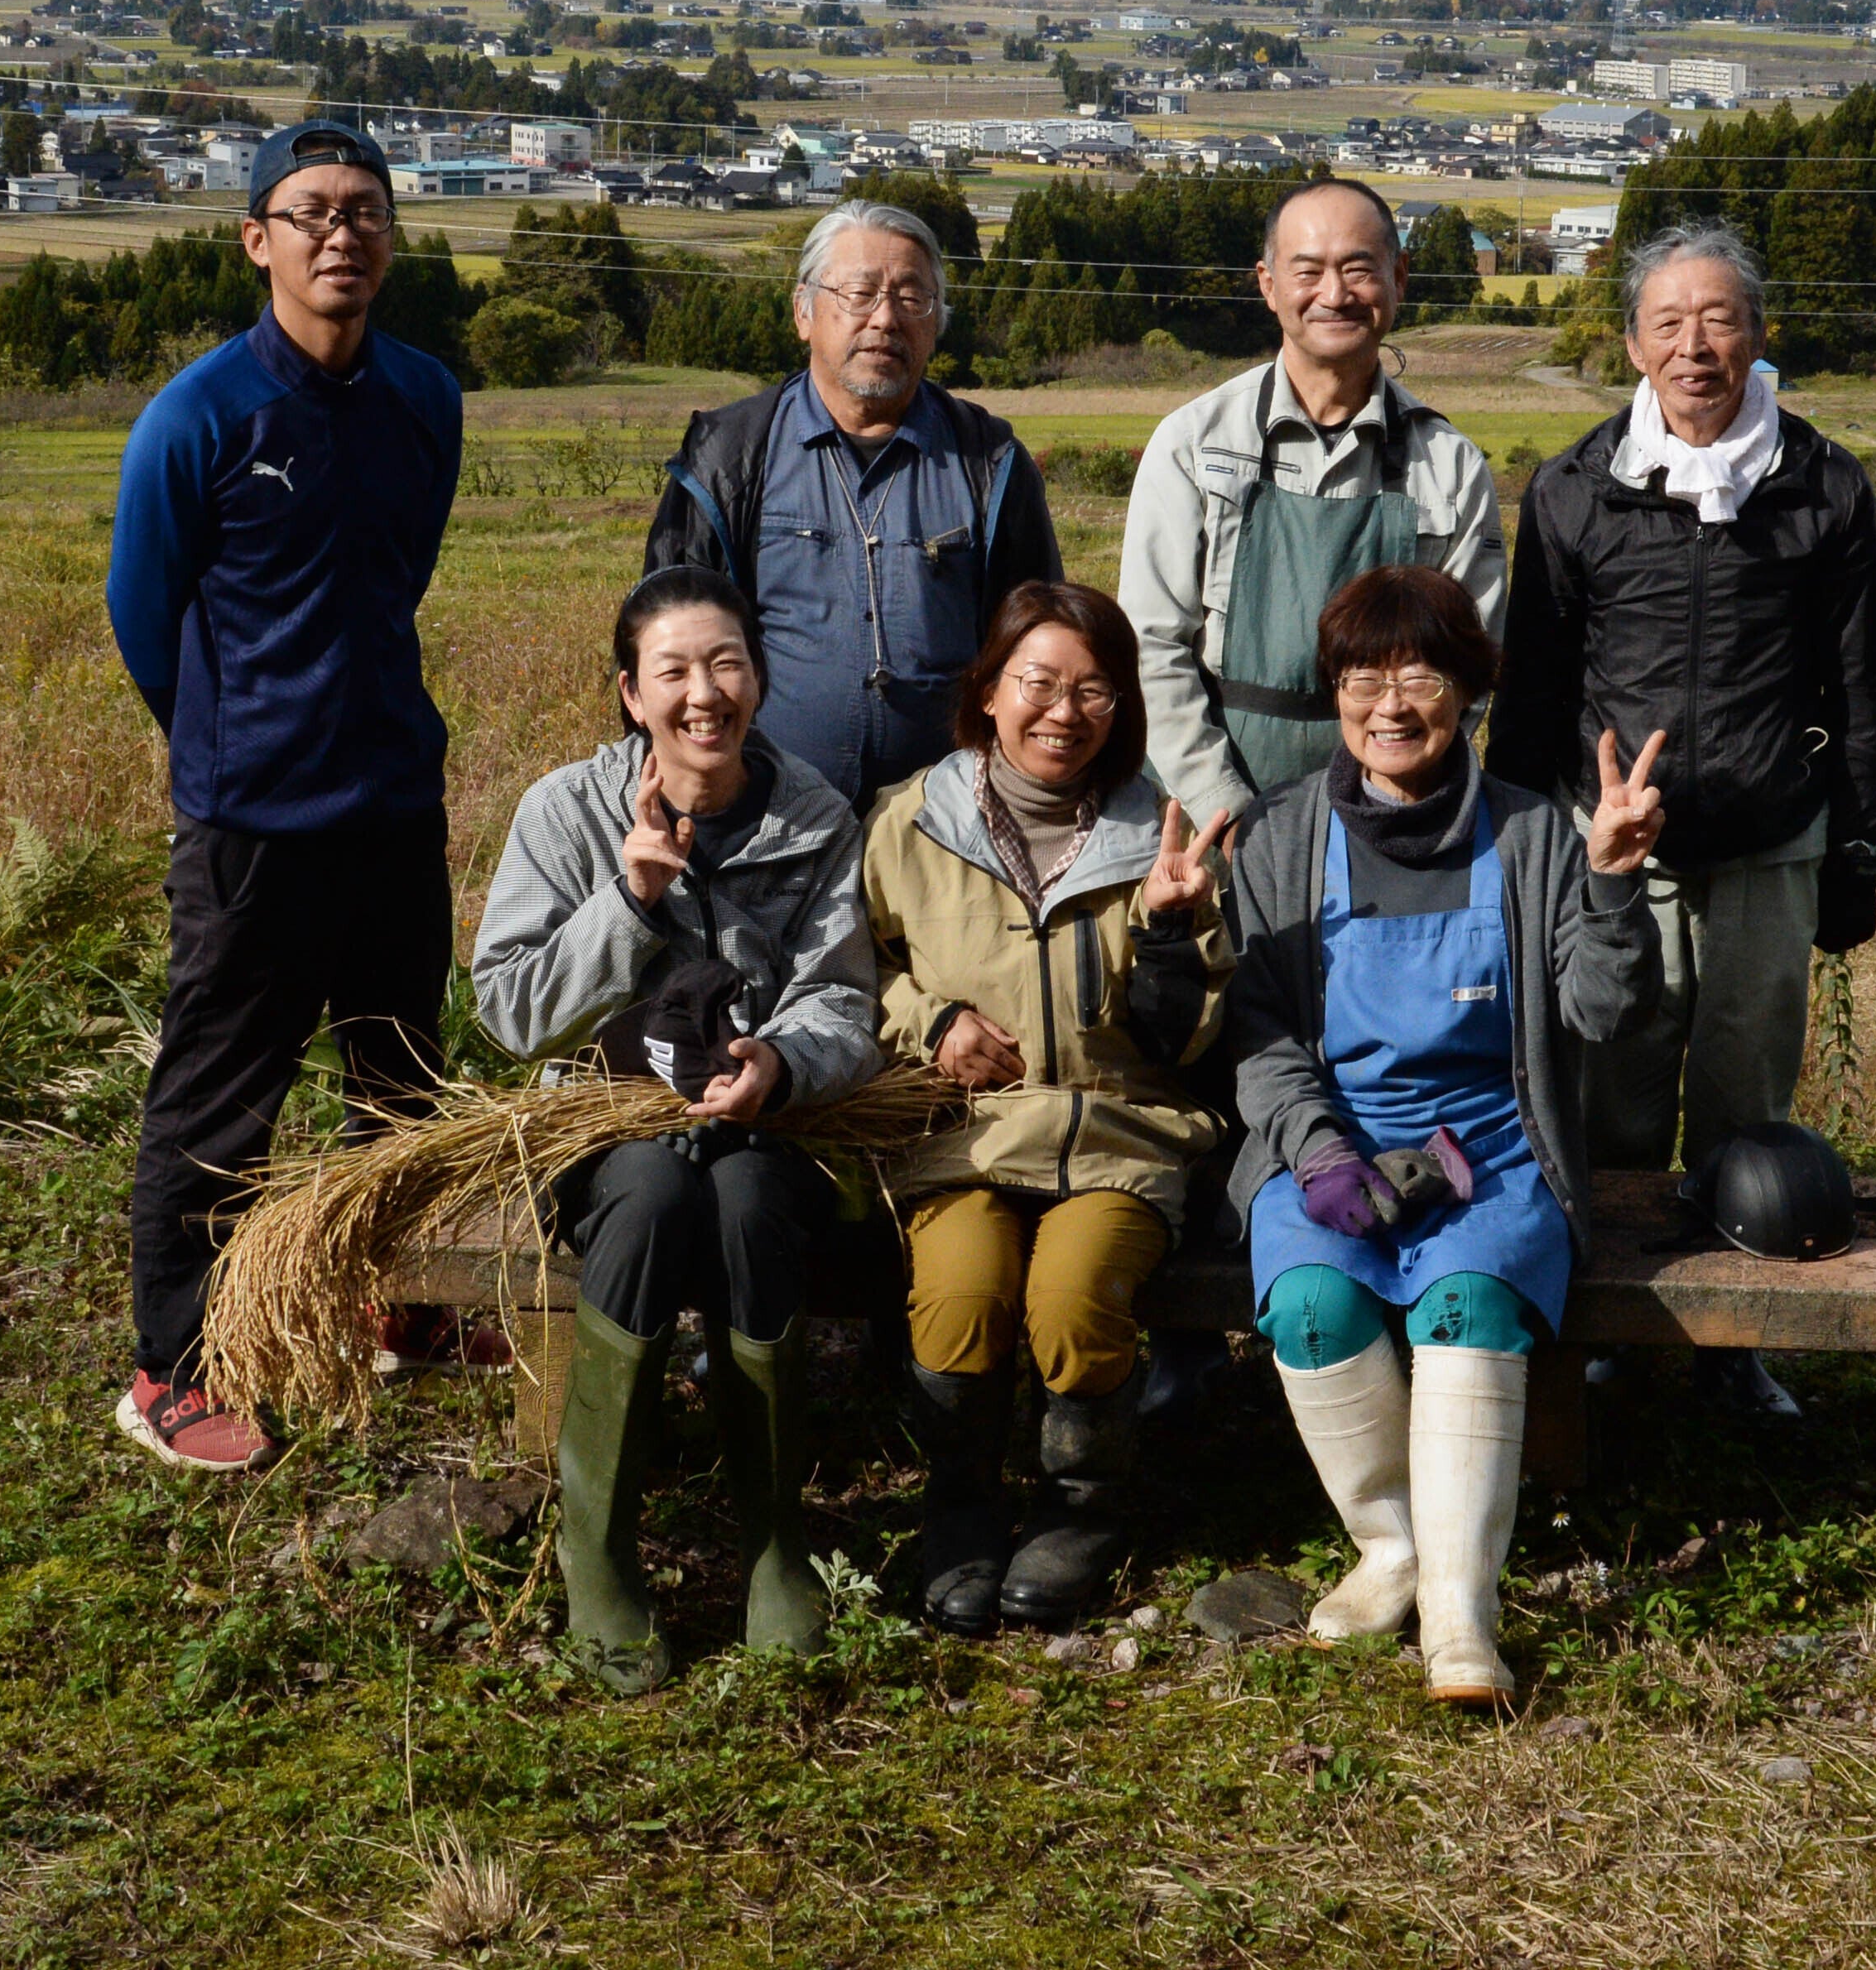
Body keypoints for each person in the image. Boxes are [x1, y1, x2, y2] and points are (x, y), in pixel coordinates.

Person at [1224, 565, 1663, 1710]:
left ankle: (1463, 1612)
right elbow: (1260, 1033)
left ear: (1468, 689)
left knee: (1467, 1304)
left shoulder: (1533, 833)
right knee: (1311, 1304)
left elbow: (1602, 1014)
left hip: (1497, 1150)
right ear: (1332, 694)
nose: (1390, 705)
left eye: (1419, 676)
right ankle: (1394, 1551)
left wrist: (1614, 884)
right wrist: (1318, 1151)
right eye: (1361, 679)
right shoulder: (1280, 835)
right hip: (1330, 1147)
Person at [1487, 222, 1876, 1418]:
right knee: (1610, 1093)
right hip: (1618, 848)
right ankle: (1617, 1326)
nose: (1695, 346)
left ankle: (1731, 1344)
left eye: (1719, 320)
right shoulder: (1575, 487)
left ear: (1757, 336)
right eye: (1667, 323)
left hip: (1772, 838)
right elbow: (1534, 683)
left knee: (1746, 1100)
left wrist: (1858, 844)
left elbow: (1859, 681)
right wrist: (1526, 846)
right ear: (1631, 344)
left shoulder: (1822, 483)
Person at [103, 118, 462, 1475]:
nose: (338, 235)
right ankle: (174, 1369)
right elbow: (144, 616)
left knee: (401, 1081)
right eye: (309, 212)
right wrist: (229, 739)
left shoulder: (424, 397)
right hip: (252, 825)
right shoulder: (199, 416)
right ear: (257, 239)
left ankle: (402, 1304)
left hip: (393, 802)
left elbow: (400, 571)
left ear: (390, 239)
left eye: (362, 210)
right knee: (218, 1109)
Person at [467, 567, 883, 1692]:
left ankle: (773, 1543)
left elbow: (843, 999)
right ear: (631, 694)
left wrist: (780, 1064)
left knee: (744, 1199)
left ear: (759, 676)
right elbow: (508, 1011)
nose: (705, 693)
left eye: (727, 663)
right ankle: (598, 1553)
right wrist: (628, 905)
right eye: (675, 672)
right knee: (652, 1195)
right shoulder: (567, 811)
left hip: (767, 1128)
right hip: (606, 1131)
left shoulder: (814, 818)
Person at [860, 579, 1235, 1635]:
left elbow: (1185, 1040)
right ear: (987, 690)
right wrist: (929, 1023)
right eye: (1037, 683)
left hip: (1120, 1135)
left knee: (1073, 1300)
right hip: (962, 1138)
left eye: (1094, 691)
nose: (1062, 713)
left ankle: (1080, 1511)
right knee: (961, 1294)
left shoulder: (1158, 832)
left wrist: (1167, 932)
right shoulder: (906, 822)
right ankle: (960, 1507)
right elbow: (853, 972)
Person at [642, 200, 1065, 815]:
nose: (885, 319)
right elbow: (660, 647)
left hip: (947, 825)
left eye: (912, 298)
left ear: (936, 324)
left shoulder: (989, 461)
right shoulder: (728, 457)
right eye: (860, 294)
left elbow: (1041, 645)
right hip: (765, 820)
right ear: (804, 312)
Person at [1119, 179, 1508, 829]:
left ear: (1398, 280)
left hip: (1388, 821)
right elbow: (1150, 647)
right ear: (1269, 284)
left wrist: (1391, 804)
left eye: (1358, 269)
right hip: (1206, 822)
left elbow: (1469, 667)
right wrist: (1224, 810)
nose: (1335, 294)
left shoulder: (1450, 467)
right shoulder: (1195, 444)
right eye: (1308, 271)